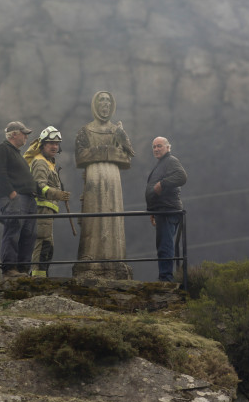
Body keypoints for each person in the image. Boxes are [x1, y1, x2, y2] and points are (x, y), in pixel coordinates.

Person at [72, 91, 135, 280]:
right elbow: (80, 155)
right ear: (95, 105)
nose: (105, 104)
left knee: (113, 215)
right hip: (93, 178)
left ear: (112, 105)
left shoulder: (117, 130)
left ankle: (115, 259)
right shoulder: (85, 131)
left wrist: (103, 153)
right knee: (93, 216)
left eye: (108, 101)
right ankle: (90, 260)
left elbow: (127, 157)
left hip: (113, 179)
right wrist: (108, 151)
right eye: (102, 100)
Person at [23, 126, 71, 277]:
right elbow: (38, 186)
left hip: (47, 211)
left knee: (48, 247)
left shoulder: (49, 162)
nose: (54, 146)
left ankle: (41, 277)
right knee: (42, 244)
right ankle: (37, 280)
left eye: (57, 143)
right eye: (51, 143)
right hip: (41, 210)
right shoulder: (40, 162)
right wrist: (57, 194)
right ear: (43, 145)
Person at [0, 121, 38, 278]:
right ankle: (10, 268)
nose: (26, 136)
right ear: (13, 134)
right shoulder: (2, 149)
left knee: (29, 234)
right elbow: (0, 174)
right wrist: (12, 194)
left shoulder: (17, 153)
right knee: (13, 230)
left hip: (29, 200)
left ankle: (23, 269)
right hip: (15, 198)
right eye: (24, 133)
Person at [145, 136, 187, 282]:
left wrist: (162, 183)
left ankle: (166, 279)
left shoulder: (171, 161)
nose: (156, 149)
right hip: (161, 211)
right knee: (163, 245)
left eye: (159, 146)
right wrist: (152, 210)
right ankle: (164, 277)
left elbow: (182, 176)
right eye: (154, 147)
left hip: (169, 211)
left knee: (165, 245)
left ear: (168, 147)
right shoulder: (162, 163)